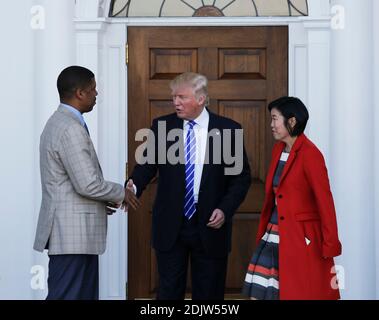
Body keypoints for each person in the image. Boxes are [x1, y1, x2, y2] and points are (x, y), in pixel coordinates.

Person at [128, 72, 251, 300]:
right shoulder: (162, 126)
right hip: (170, 225)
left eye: (182, 97)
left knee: (209, 295)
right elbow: (146, 165)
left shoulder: (228, 129)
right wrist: (132, 188)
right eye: (174, 97)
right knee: (168, 293)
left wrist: (225, 209)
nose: (176, 102)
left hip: (211, 226)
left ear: (201, 98)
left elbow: (240, 179)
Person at [33, 66, 139, 300]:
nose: (96, 94)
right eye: (92, 89)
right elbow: (87, 184)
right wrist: (121, 193)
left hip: (72, 234)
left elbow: (70, 185)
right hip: (71, 236)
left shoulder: (61, 122)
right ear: (79, 93)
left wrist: (102, 203)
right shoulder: (70, 128)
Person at [242, 96, 342, 300]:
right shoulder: (279, 149)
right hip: (274, 230)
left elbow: (325, 201)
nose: (271, 125)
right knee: (261, 292)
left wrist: (330, 243)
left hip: (300, 237)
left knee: (295, 291)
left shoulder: (311, 154)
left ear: (292, 121)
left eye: (275, 119)